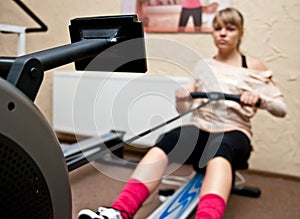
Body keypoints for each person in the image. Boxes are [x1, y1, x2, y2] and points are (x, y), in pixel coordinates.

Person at [78, 7, 287, 219]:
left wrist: (260, 100)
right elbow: (184, 110)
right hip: (200, 127)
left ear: (240, 33)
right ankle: (120, 211)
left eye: (230, 28)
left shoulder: (253, 67)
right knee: (168, 138)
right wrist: (182, 99)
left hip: (234, 132)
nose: (222, 33)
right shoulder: (204, 65)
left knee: (219, 146)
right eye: (217, 28)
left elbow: (281, 109)